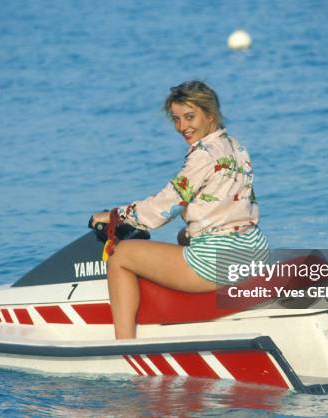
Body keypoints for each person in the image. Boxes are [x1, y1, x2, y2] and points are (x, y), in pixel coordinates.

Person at [92, 80, 269, 339]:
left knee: (120, 256)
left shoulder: (203, 154)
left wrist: (116, 216)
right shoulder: (236, 146)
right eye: (176, 119)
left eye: (189, 117)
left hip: (217, 261)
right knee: (183, 238)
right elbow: (234, 202)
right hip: (253, 250)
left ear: (210, 114)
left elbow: (165, 206)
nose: (182, 127)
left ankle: (122, 347)